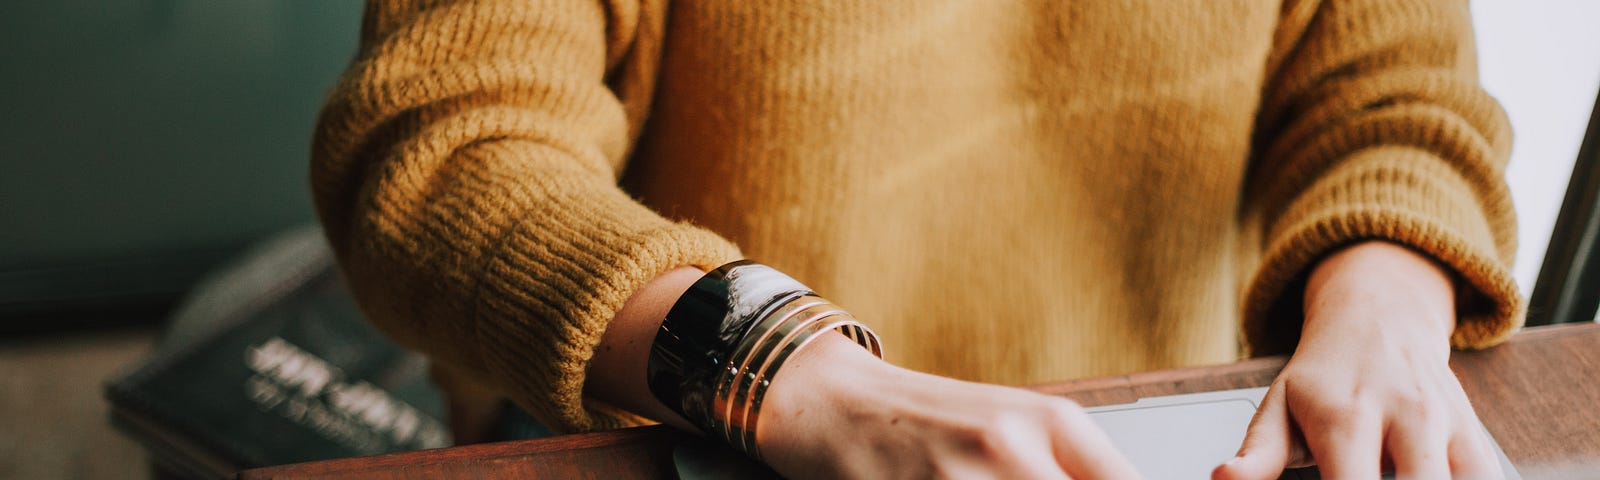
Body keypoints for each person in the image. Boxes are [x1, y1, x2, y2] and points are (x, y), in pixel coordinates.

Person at [311, 1, 1522, 478]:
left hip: (1150, 440)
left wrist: (1387, 304)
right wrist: (790, 373)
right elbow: (440, 150)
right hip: (690, 427)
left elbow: (1393, 97)